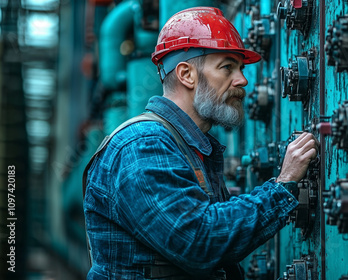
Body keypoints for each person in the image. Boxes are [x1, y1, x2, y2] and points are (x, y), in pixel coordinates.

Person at [83, 6, 318, 280]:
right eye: (227, 67)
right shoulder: (142, 147)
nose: (242, 80)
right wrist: (283, 185)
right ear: (186, 75)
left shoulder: (187, 146)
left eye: (240, 69)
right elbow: (198, 242)